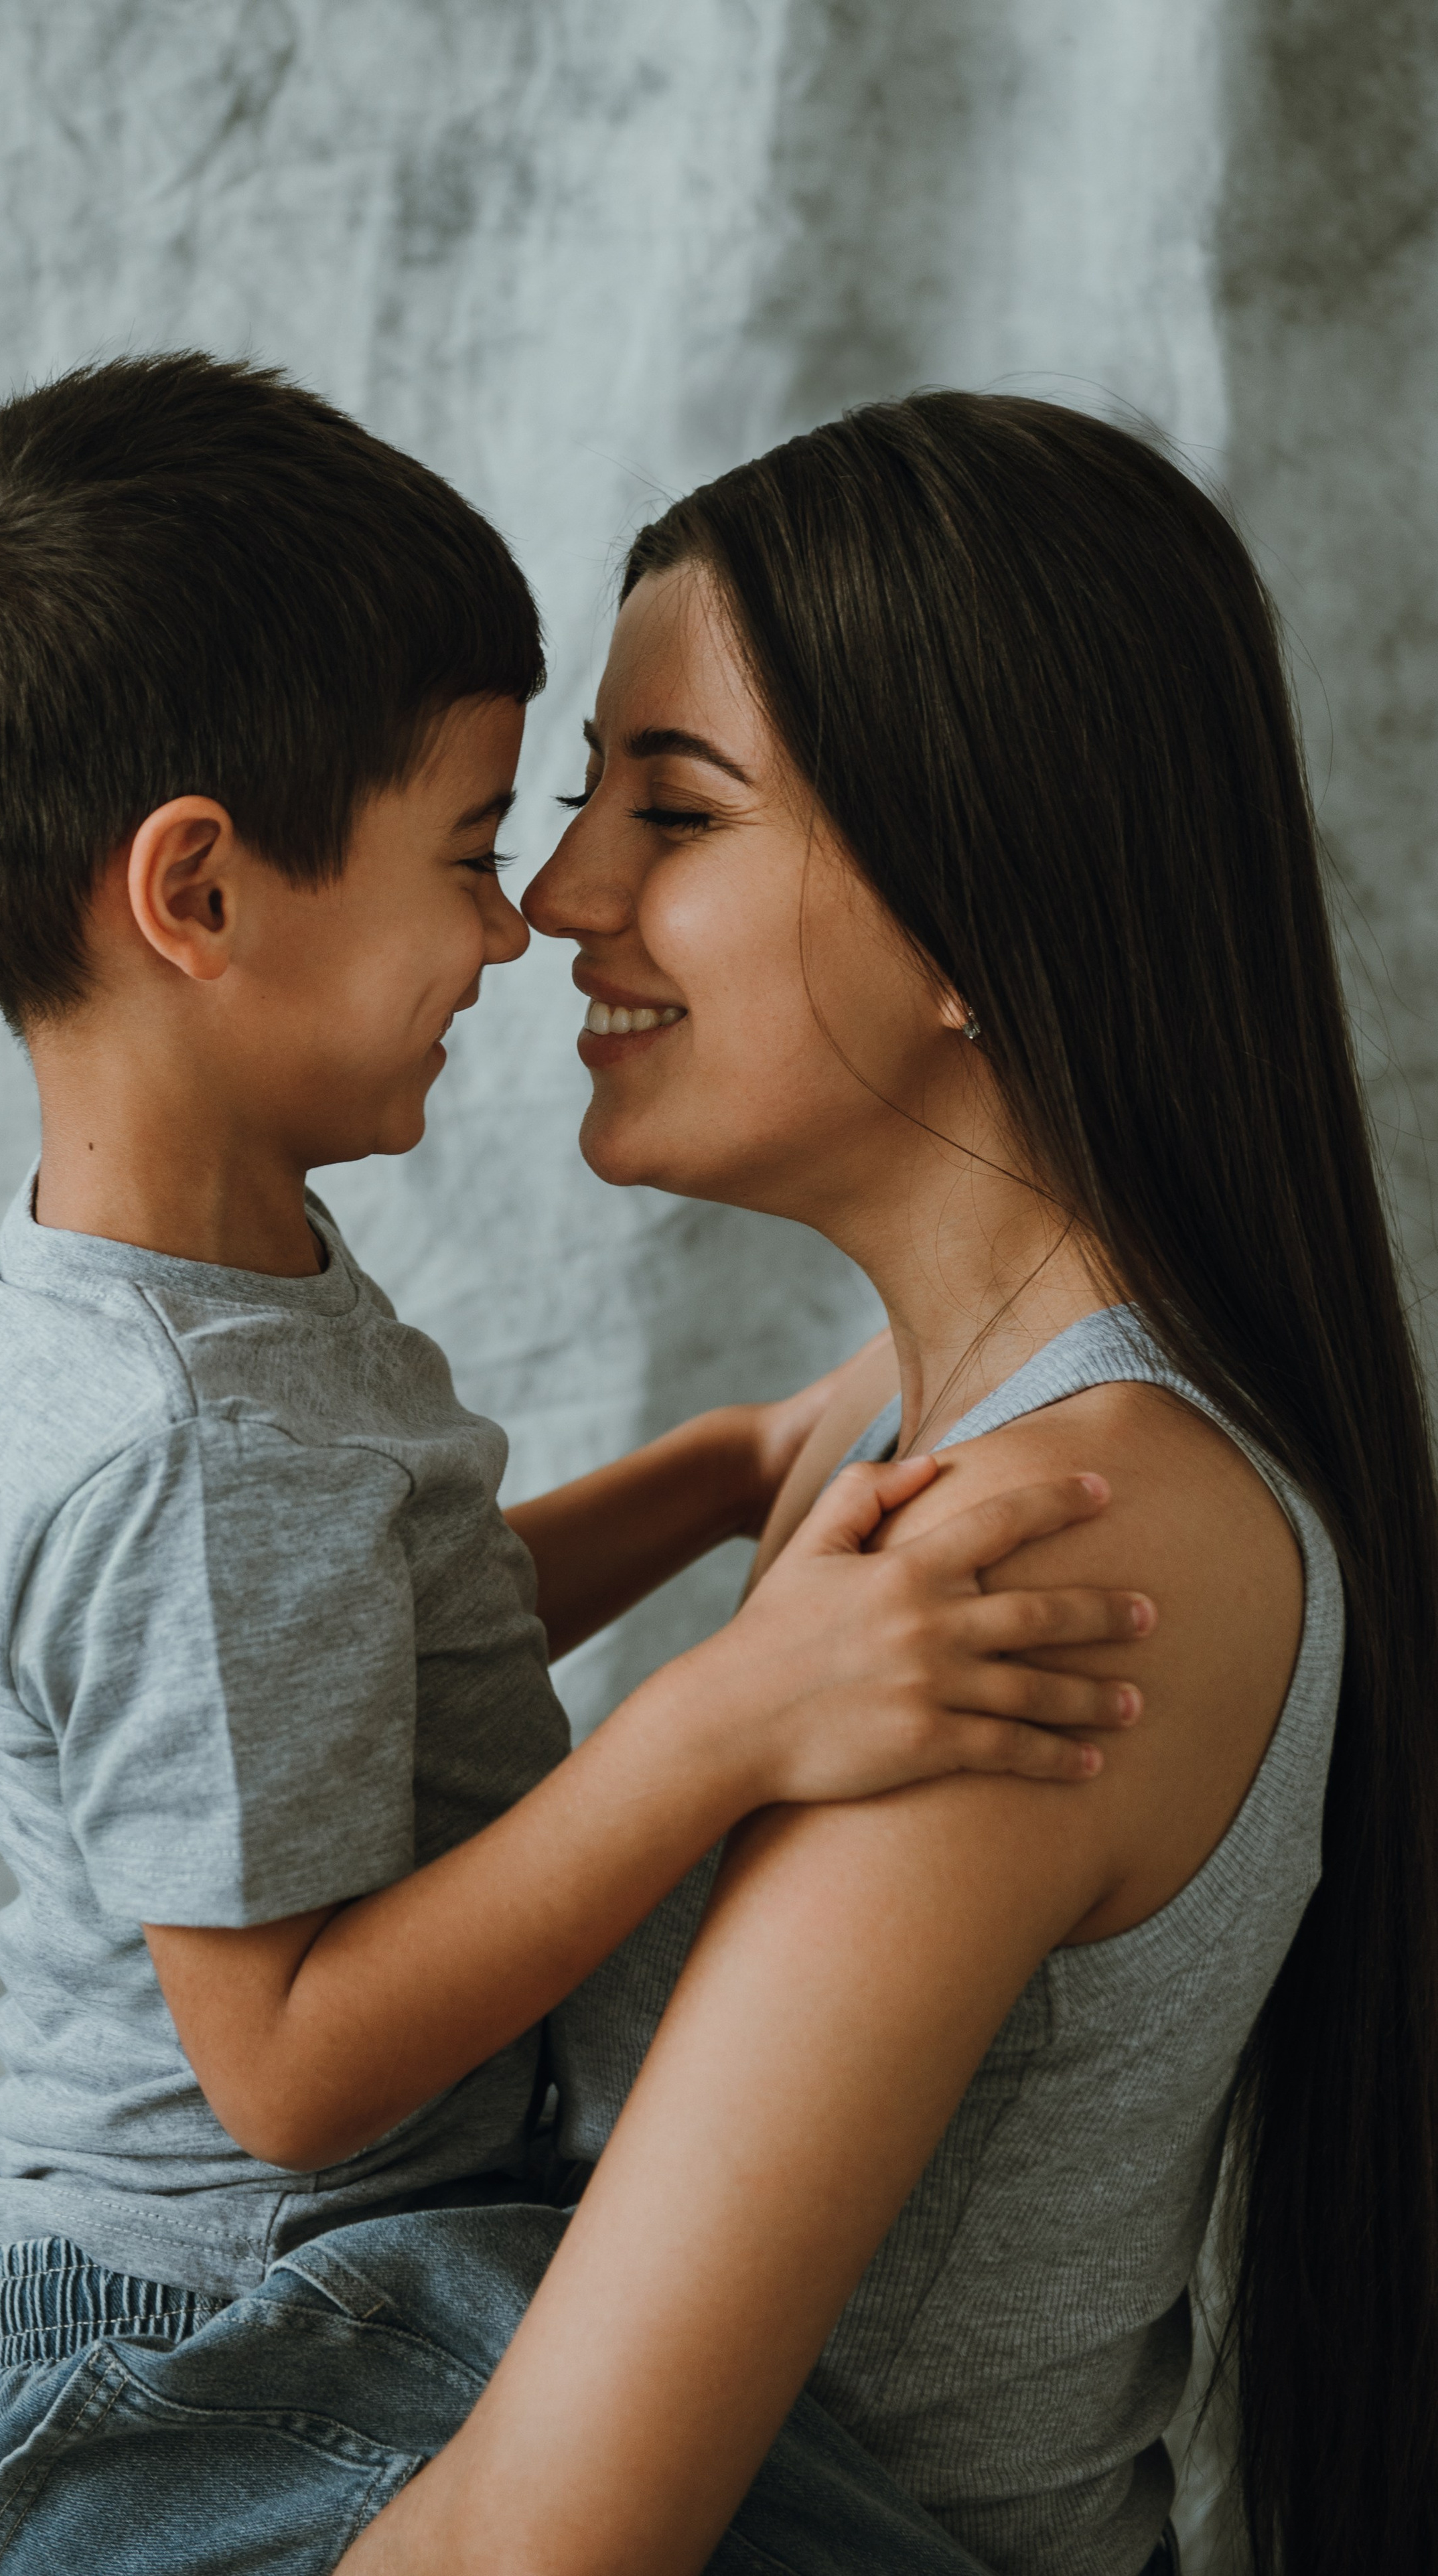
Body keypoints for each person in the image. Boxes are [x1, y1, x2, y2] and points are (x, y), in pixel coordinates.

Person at [0, 358, 1145, 2576]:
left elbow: (363, 1671)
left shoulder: (196, 1303)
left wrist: (735, 1471)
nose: (523, 919)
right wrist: (727, 1722)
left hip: (320, 2279)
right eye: (466, 848)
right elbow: (293, 2067)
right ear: (200, 895)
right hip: (223, 2361)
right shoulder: (184, 1439)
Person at [329, 396, 1438, 2576]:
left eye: (676, 808)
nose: (559, 897)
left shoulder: (1046, 1558)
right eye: (576, 806)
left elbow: (537, 2551)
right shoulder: (921, 1432)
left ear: (977, 903)